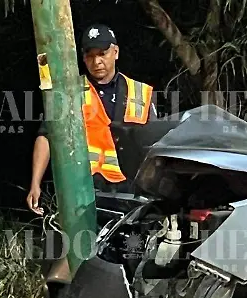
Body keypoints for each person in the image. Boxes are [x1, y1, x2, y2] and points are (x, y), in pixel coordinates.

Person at [27, 23, 158, 215]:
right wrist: (35, 183)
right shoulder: (70, 93)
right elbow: (46, 136)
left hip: (131, 190)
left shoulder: (142, 92)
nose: (96, 61)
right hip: (84, 189)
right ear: (83, 57)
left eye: (102, 53)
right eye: (90, 55)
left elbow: (157, 144)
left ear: (116, 52)